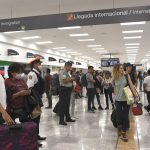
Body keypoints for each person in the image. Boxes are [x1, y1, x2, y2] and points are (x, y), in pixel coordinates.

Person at [112, 64, 136, 142]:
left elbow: (132, 85)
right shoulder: (114, 78)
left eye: (122, 68)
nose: (122, 69)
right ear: (117, 69)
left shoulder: (126, 76)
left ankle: (124, 133)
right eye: (120, 68)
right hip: (118, 100)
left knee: (125, 116)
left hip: (126, 99)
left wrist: (135, 95)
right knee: (119, 117)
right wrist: (114, 97)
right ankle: (120, 125)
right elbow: (114, 89)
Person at [27, 56, 46, 144]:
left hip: (37, 98)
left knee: (37, 117)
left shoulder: (37, 73)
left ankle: (36, 135)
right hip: (34, 99)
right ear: (34, 64)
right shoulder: (32, 74)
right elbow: (29, 87)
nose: (40, 65)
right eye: (39, 64)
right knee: (35, 117)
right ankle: (33, 137)